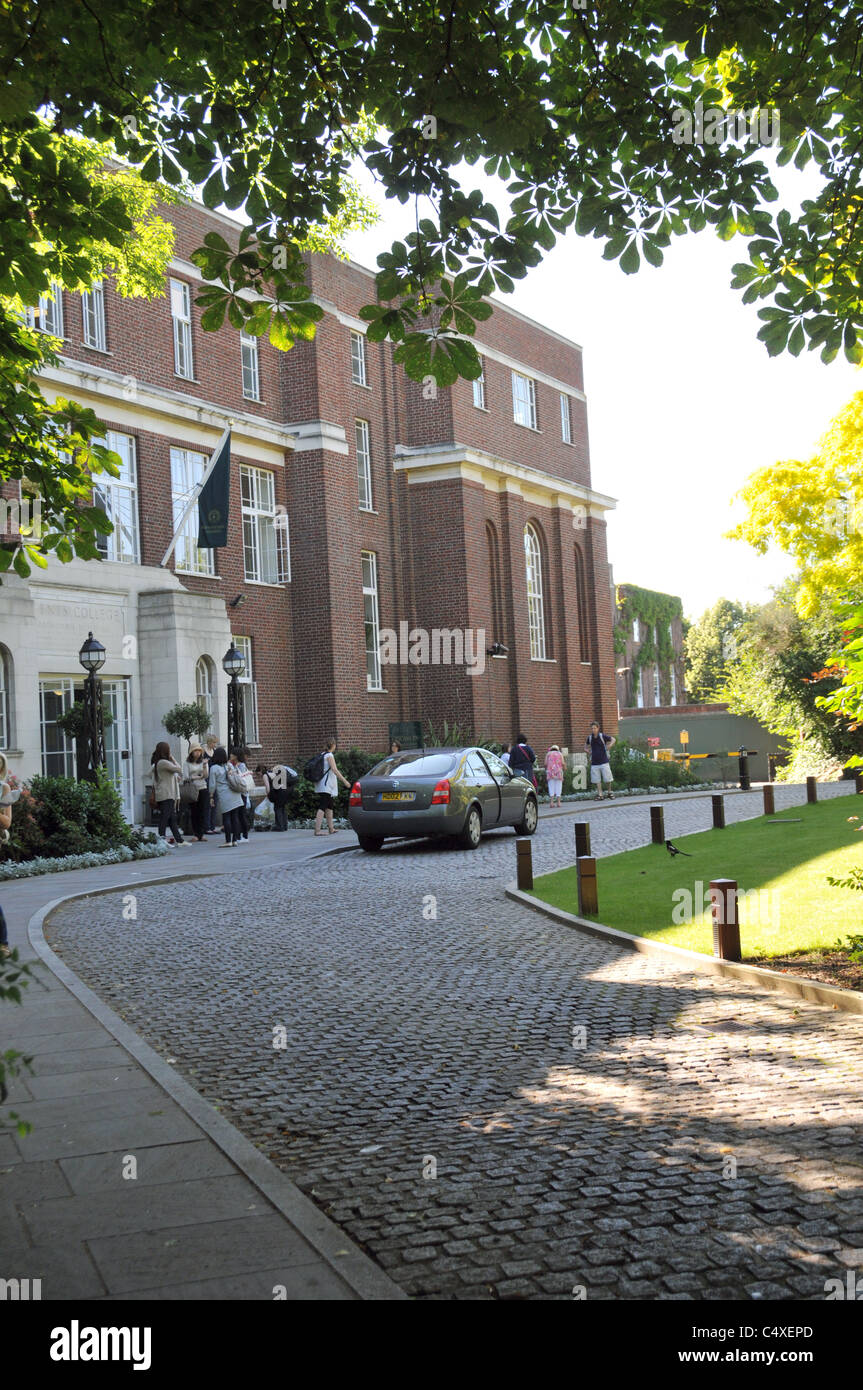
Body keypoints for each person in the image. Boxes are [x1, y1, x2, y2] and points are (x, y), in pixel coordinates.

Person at [150, 742, 188, 845]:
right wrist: (172, 758)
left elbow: (172, 774)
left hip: (166, 793)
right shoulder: (163, 762)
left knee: (172, 819)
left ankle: (180, 840)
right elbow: (179, 769)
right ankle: (162, 840)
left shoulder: (160, 762)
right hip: (166, 794)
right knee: (165, 817)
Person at [208, 746, 245, 848]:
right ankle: (235, 840)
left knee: (227, 818)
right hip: (235, 793)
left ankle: (228, 841)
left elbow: (212, 784)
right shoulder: (229, 765)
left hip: (224, 795)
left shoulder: (214, 768)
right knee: (235, 817)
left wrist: (211, 796)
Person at [313, 739, 351, 835]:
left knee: (329, 806)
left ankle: (331, 828)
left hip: (323, 785)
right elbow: (334, 770)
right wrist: (345, 781)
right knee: (323, 806)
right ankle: (317, 830)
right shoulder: (329, 755)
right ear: (333, 745)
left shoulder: (323, 754)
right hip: (326, 785)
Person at [259, 760, 298, 832]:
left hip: (281, 791)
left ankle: (279, 826)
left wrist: (268, 795)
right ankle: (284, 826)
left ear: (260, 771)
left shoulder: (265, 775)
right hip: (288, 789)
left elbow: (268, 789)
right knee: (282, 807)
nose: (258, 776)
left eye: (258, 774)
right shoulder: (273, 772)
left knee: (277, 807)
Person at [185, 743, 210, 841]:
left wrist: (204, 766)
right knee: (194, 811)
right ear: (191, 752)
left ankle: (202, 833)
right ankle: (196, 833)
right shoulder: (187, 763)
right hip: (192, 789)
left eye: (199, 751)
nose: (198, 753)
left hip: (202, 787)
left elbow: (206, 775)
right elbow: (186, 777)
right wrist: (197, 776)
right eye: (196, 751)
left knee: (203, 811)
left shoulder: (203, 762)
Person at [586, 721, 616, 800]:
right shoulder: (590, 737)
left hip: (604, 761)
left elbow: (613, 739)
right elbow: (585, 746)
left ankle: (609, 792)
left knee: (608, 779)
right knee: (597, 780)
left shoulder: (602, 736)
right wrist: (587, 751)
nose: (593, 730)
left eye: (594, 728)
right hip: (594, 762)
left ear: (598, 728)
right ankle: (600, 795)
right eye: (592, 728)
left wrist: (609, 745)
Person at [229, 747, 254, 842]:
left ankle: (244, 835)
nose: (230, 755)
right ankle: (238, 835)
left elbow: (241, 779)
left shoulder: (241, 765)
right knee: (237, 814)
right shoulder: (232, 764)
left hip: (241, 792)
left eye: (232, 754)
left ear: (236, 756)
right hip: (236, 792)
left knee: (241, 814)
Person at [204, 736, 221, 832]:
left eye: (215, 743)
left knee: (215, 802)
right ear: (209, 742)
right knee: (207, 803)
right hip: (207, 778)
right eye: (214, 742)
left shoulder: (215, 751)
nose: (215, 745)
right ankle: (207, 826)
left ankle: (212, 826)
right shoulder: (204, 751)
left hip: (215, 778)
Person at [545, 744, 565, 808]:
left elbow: (545, 764)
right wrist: (564, 768)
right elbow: (563, 763)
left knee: (551, 787)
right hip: (559, 772)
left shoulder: (548, 754)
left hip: (550, 772)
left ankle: (551, 802)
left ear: (551, 749)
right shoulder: (560, 754)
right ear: (557, 749)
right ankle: (558, 802)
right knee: (559, 787)